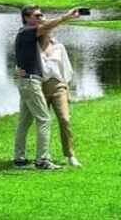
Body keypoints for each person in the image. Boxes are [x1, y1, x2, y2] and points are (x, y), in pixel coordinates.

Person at [13, 5, 80, 170]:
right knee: (44, 119)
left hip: (35, 83)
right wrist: (65, 16)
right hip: (33, 83)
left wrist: (17, 68)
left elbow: (22, 58)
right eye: (37, 15)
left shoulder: (27, 36)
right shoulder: (28, 32)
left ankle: (19, 158)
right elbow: (44, 27)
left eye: (42, 15)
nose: (41, 18)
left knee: (24, 120)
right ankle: (42, 161)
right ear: (26, 18)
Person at [39, 33, 81, 167]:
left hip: (59, 87)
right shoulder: (33, 47)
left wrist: (67, 90)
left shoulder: (59, 47)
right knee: (43, 123)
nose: (48, 31)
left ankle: (70, 155)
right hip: (40, 87)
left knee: (65, 119)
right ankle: (43, 155)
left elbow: (67, 69)